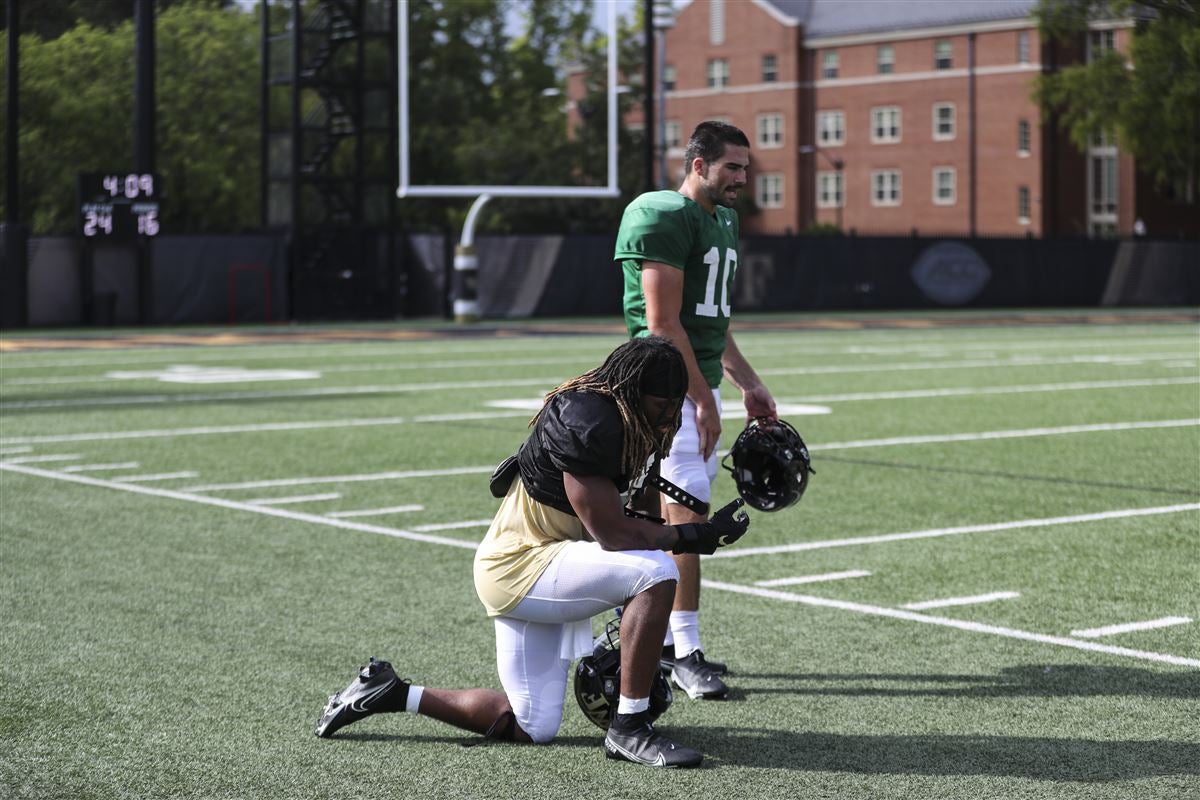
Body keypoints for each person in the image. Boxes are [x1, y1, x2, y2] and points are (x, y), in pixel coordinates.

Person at [313, 336, 750, 768]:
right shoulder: (590, 418)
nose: (669, 418)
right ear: (631, 392)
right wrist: (689, 538)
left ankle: (389, 691)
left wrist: (647, 596)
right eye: (662, 406)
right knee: (656, 572)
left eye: (675, 407)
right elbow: (615, 535)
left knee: (532, 725)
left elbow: (639, 516)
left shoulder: (635, 423)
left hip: (551, 561)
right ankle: (629, 730)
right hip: (519, 565)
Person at [614, 121, 777, 701]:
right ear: (698, 164)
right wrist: (701, 400)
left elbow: (713, 321)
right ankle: (686, 653)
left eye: (746, 168)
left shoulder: (724, 221)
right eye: (731, 166)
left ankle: (657, 642)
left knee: (674, 520)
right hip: (662, 395)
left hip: (695, 388)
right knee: (686, 523)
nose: (741, 178)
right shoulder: (665, 215)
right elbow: (662, 324)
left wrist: (747, 382)